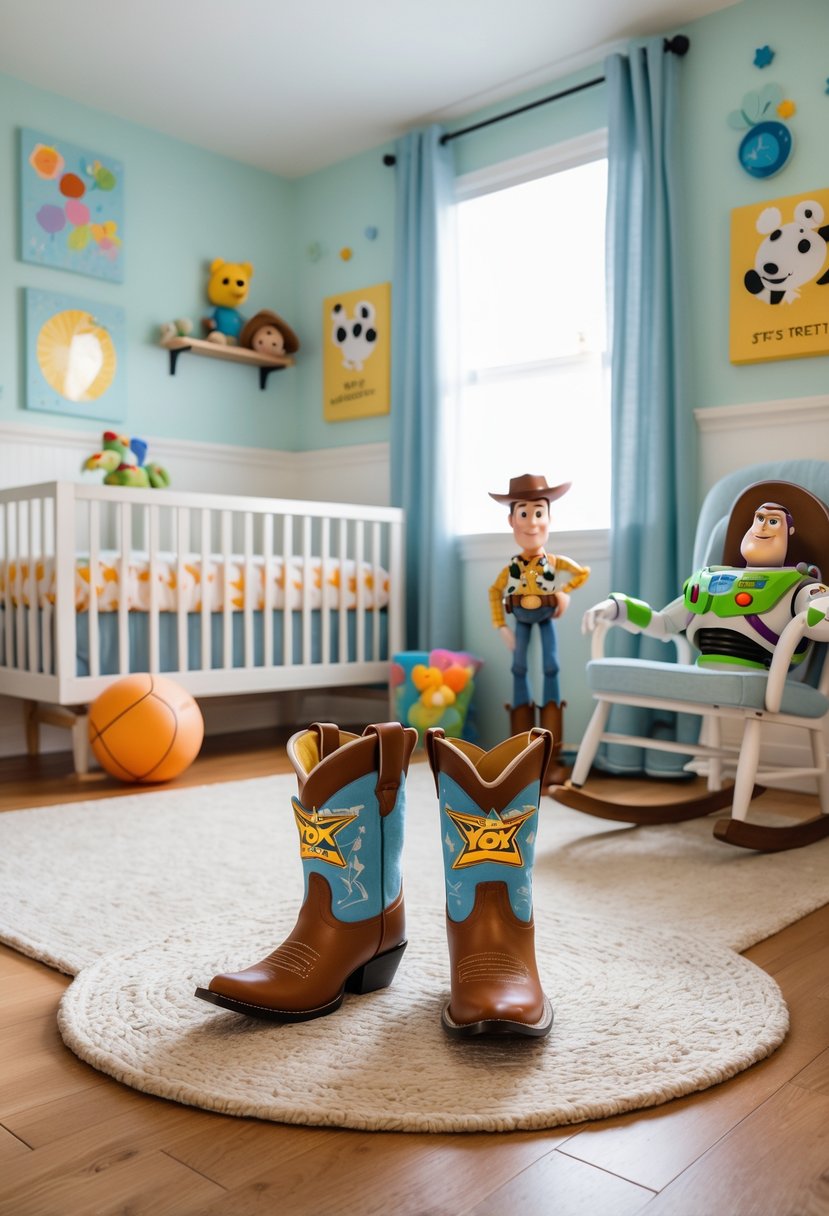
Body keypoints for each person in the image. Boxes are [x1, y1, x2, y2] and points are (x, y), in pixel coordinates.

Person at [582, 500, 828, 670]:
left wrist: (821, 609)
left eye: (773, 521)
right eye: (759, 518)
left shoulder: (798, 585)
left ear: (789, 532)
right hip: (702, 670)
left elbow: (819, 616)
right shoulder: (709, 579)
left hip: (762, 675)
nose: (762, 526)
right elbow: (664, 623)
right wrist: (618, 607)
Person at [489, 474, 591, 783]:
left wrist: (564, 593)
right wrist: (501, 627)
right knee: (518, 668)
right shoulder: (512, 568)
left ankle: (552, 754)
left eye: (538, 513)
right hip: (519, 620)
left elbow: (582, 573)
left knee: (551, 667)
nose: (531, 523)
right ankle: (523, 756)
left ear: (549, 517)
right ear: (511, 520)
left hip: (545, 619)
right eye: (523, 513)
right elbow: (494, 591)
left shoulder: (555, 561)